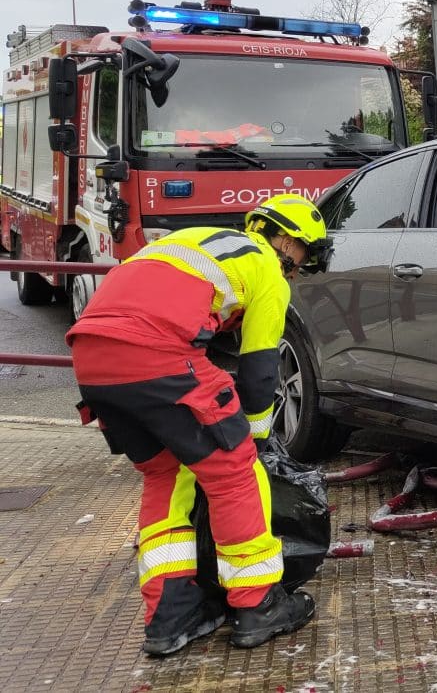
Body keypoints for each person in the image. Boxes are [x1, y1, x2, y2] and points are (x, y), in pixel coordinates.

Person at [67, 193, 332, 656]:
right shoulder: (265, 267)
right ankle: (258, 604)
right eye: (304, 256)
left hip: (91, 358)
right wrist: (257, 438)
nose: (299, 269)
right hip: (156, 355)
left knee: (166, 474)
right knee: (234, 471)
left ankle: (171, 615)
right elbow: (259, 372)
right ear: (288, 242)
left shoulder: (194, 242)